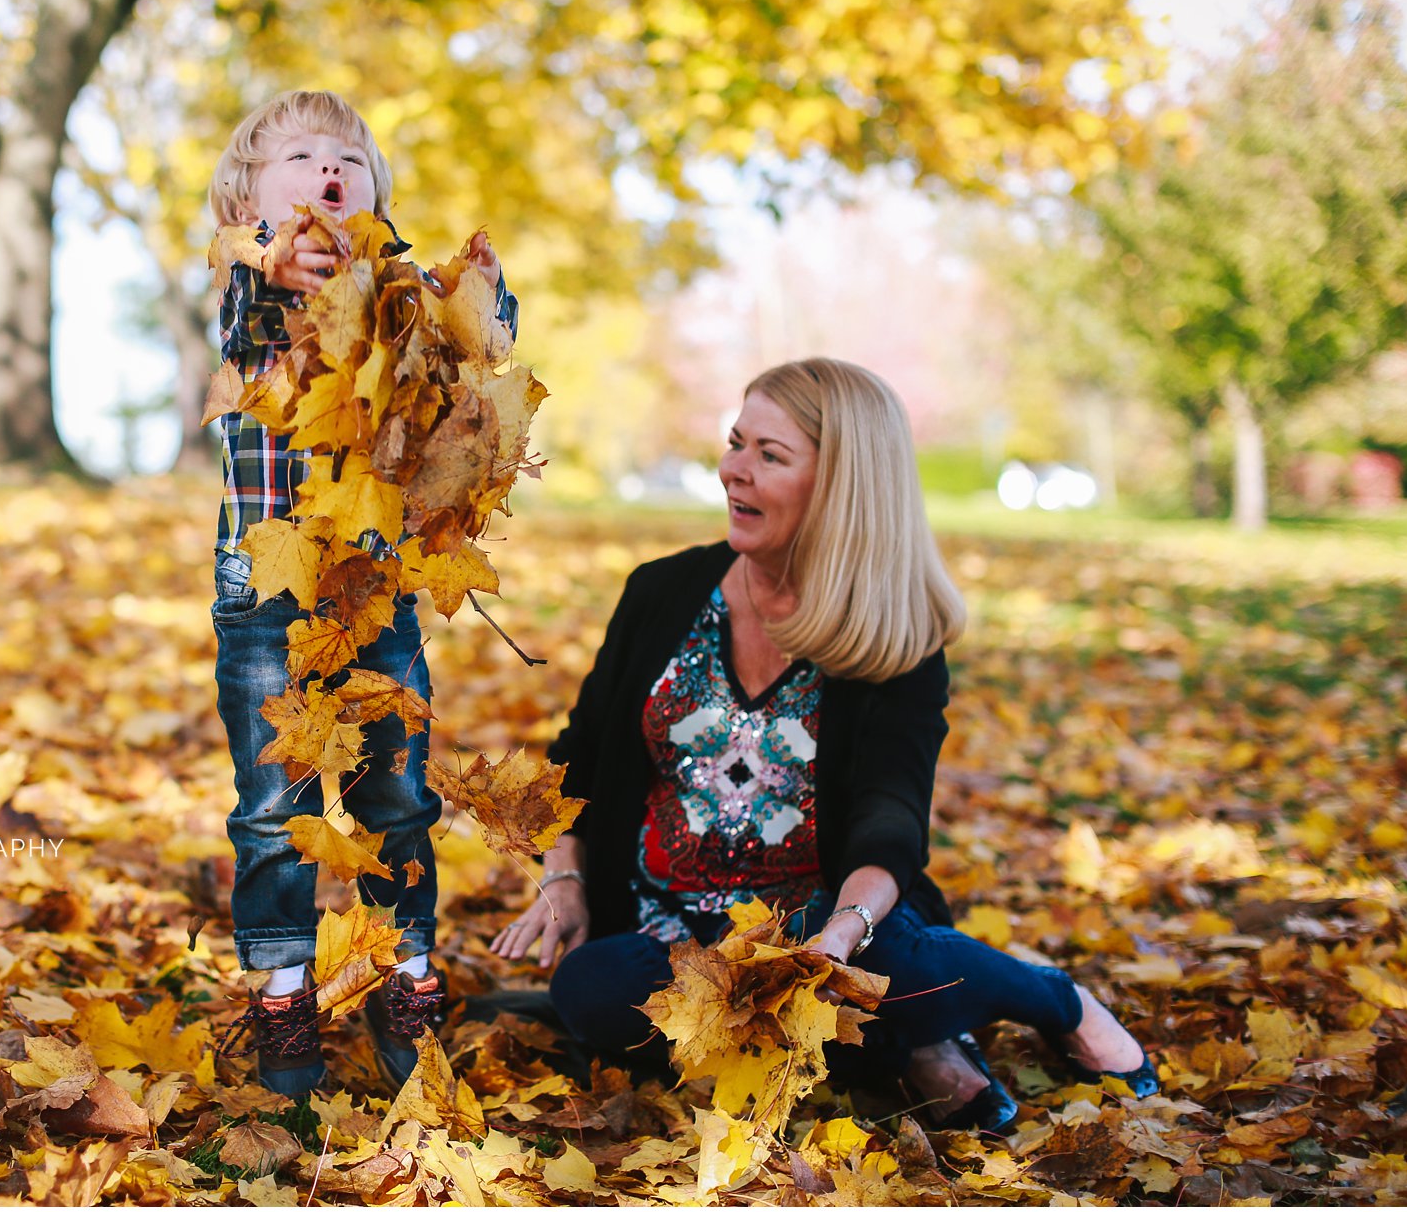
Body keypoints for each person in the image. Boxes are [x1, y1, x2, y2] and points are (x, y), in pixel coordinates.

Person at [491, 357, 1155, 1131]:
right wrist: (563, 881)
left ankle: (1054, 1000)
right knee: (590, 988)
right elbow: (577, 763)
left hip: (823, 923)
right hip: (665, 938)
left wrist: (842, 933)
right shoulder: (661, 593)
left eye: (769, 456)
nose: (732, 470)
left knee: (883, 968)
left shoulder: (893, 635)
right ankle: (913, 1044)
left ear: (842, 485)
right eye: (736, 443)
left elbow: (890, 814)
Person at [210, 90, 516, 1098]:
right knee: (274, 805)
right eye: (297, 157)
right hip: (268, 590)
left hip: (375, 587)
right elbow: (246, 274)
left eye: (345, 159)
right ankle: (283, 991)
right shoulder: (249, 282)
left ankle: (404, 974)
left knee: (396, 794)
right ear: (249, 197)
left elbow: (479, 351)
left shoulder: (398, 298)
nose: (326, 172)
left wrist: (481, 300)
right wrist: (270, 255)